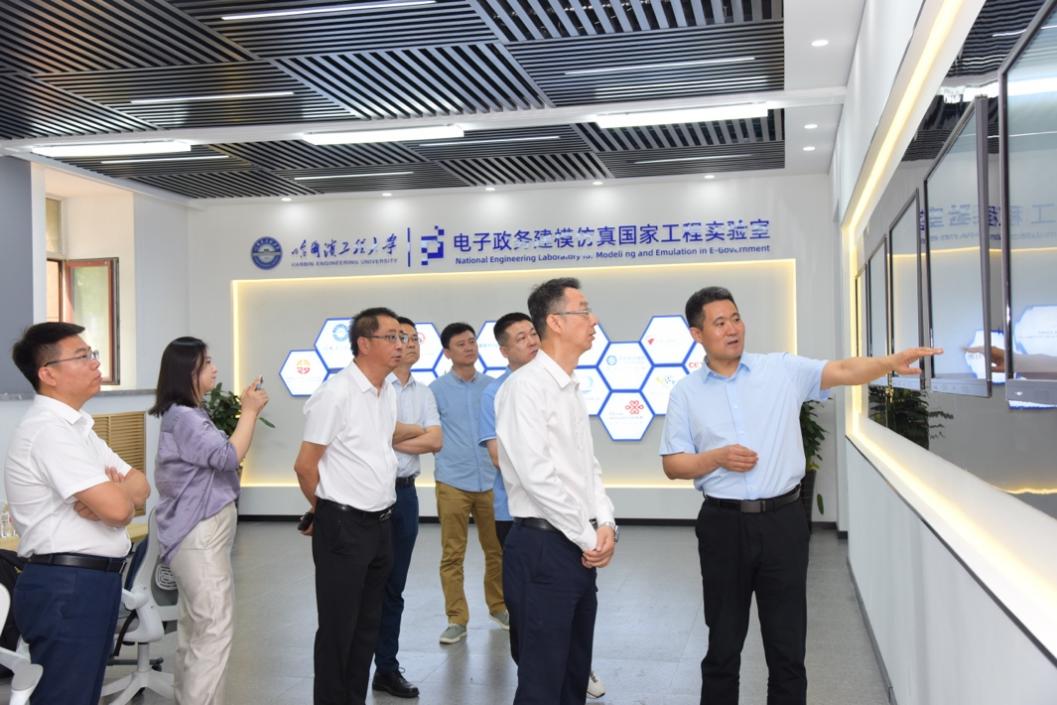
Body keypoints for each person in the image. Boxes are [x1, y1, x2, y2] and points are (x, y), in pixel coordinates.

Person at [659, 286, 941, 705]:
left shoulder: (780, 370)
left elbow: (842, 369)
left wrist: (888, 363)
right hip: (723, 527)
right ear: (697, 334)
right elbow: (673, 464)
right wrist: (715, 458)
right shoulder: (686, 393)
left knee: (787, 649)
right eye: (720, 323)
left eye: (736, 318)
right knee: (723, 647)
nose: (733, 329)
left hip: (783, 524)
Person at [4, 322, 150, 705]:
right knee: (66, 696)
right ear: (48, 374)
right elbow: (120, 509)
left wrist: (115, 495)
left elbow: (140, 486)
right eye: (82, 356)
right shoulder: (48, 431)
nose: (95, 363)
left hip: (90, 582)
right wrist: (116, 498)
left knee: (81, 695)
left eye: (92, 354)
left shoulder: (78, 429)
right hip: (66, 584)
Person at [495, 278, 618, 705]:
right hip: (544, 548)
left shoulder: (568, 386)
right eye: (583, 310)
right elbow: (537, 478)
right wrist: (589, 538)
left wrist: (606, 522)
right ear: (556, 322)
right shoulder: (524, 388)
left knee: (573, 673)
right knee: (542, 681)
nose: (593, 319)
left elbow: (587, 468)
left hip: (576, 546)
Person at [293, 307, 424, 705]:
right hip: (344, 524)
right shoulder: (336, 394)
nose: (401, 344)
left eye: (404, 337)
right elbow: (305, 466)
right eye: (392, 337)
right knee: (338, 629)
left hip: (381, 523)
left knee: (367, 626)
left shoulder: (386, 393)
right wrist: (326, 512)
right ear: (364, 343)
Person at [149, 336, 269, 705]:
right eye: (207, 363)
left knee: (196, 629)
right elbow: (227, 458)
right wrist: (249, 412)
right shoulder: (186, 418)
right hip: (198, 536)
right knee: (213, 629)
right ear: (188, 372)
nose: (215, 369)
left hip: (196, 534)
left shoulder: (186, 414)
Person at [372, 317, 443, 699]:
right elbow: (372, 436)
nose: (410, 343)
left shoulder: (424, 392)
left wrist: (393, 434)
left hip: (405, 494)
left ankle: (386, 668)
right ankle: (353, 665)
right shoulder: (372, 388)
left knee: (394, 587)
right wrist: (413, 430)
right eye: (402, 337)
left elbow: (435, 442)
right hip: (369, 495)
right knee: (364, 586)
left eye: (415, 337)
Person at [429, 322, 507, 645]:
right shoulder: (435, 390)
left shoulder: (492, 387)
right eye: (460, 344)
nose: (469, 347)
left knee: (497, 550)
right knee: (452, 554)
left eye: (472, 341)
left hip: (491, 481)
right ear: (447, 352)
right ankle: (456, 619)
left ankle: (499, 607)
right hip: (452, 481)